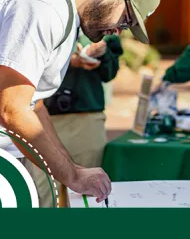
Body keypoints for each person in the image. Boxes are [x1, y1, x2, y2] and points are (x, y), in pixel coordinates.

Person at [0, 0, 160, 204]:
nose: (118, 30)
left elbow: (34, 104)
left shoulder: (60, 6)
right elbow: (11, 111)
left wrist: (72, 169)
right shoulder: (45, 5)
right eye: (126, 20)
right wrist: (73, 176)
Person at [17, 34, 122, 208]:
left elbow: (109, 72)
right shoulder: (45, 15)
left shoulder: (107, 26)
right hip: (42, 117)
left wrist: (103, 54)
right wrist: (68, 61)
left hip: (86, 121)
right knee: (48, 194)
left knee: (89, 193)